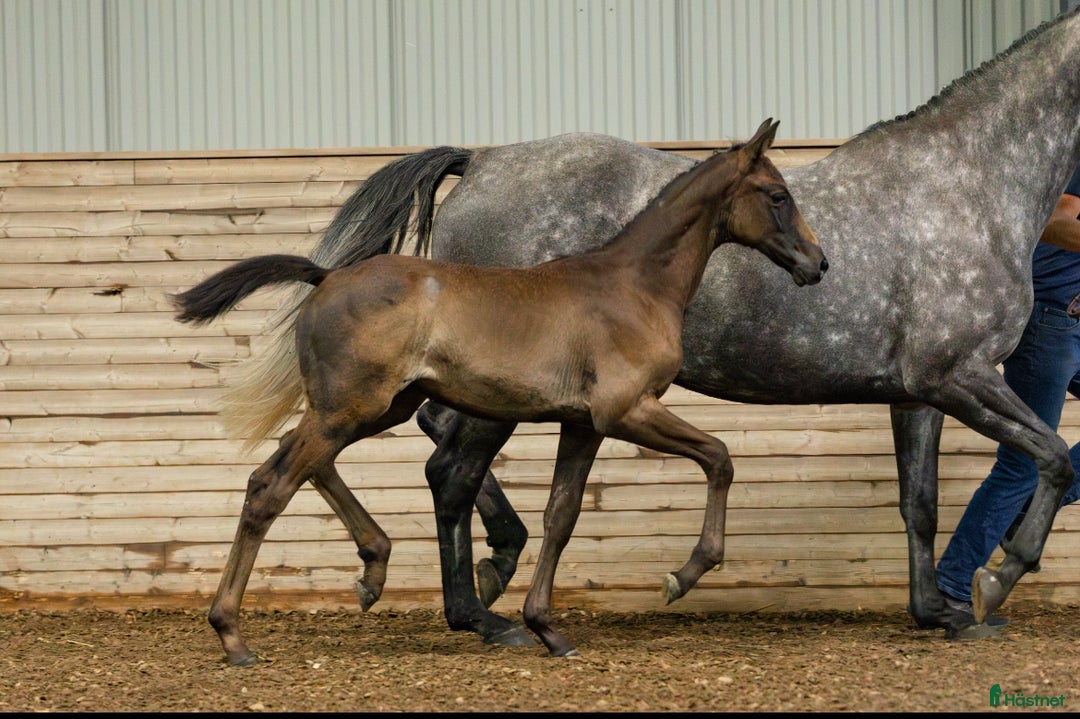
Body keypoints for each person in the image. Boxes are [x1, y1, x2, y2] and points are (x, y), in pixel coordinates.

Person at [936, 161, 1080, 626]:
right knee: (1021, 461)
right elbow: (1058, 220)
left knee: (1026, 472)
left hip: (1076, 322)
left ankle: (1030, 511)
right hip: (1048, 323)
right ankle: (952, 588)